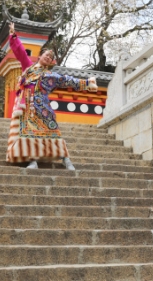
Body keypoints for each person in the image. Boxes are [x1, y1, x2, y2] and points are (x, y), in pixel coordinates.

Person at [6, 22, 97, 170]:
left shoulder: (51, 75)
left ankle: (66, 159)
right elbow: (20, 52)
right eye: (46, 55)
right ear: (40, 56)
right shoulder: (28, 67)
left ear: (51, 62)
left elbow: (67, 80)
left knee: (52, 130)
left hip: (43, 105)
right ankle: (32, 161)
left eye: (51, 57)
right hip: (27, 105)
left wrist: (87, 83)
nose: (48, 57)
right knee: (28, 133)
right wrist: (13, 35)